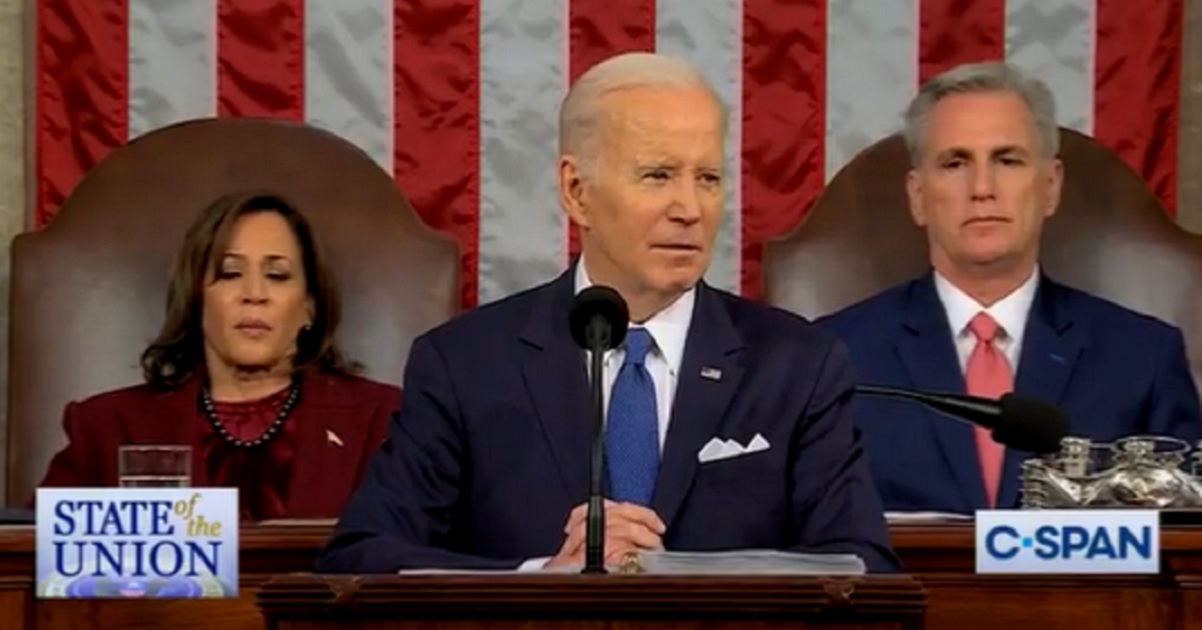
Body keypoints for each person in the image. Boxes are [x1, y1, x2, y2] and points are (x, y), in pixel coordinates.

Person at [317, 52, 898, 574]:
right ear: (576, 191)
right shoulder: (465, 364)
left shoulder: (796, 366)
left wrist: (689, 577)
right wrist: (543, 577)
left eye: (708, 179)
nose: (690, 209)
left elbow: (863, 566)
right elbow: (360, 558)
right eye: (658, 175)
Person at [818, 61, 1202, 514]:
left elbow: (1184, 549)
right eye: (955, 162)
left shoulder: (1143, 357)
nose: (982, 188)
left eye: (1007, 159)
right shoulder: (832, 357)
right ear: (918, 196)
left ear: (1051, 186)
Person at [37, 191, 402, 520]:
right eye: (230, 273)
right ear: (196, 299)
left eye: (277, 275)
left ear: (309, 306)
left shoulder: (381, 422)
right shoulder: (106, 429)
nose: (254, 293)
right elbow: (32, 566)